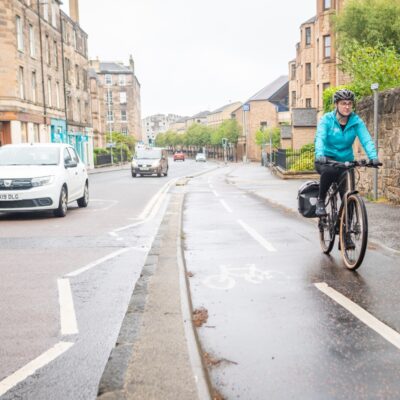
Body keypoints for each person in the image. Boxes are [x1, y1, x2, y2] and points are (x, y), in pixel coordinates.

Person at [314, 88, 379, 217]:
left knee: (348, 194)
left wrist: (373, 157)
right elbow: (320, 137)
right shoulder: (327, 119)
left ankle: (346, 229)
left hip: (345, 161)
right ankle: (320, 201)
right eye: (343, 103)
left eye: (349, 103)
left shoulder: (356, 121)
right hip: (327, 159)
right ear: (336, 104)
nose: (347, 106)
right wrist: (319, 155)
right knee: (329, 171)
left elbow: (366, 139)